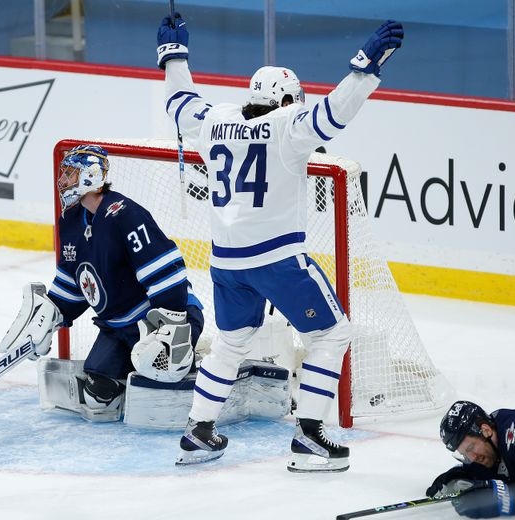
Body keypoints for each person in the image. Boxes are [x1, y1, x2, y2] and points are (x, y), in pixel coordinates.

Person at [157, 15, 404, 469]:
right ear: (286, 101)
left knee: (231, 344)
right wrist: (365, 69)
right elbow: (336, 111)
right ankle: (309, 435)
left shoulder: (215, 121)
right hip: (278, 261)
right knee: (333, 333)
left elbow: (179, 102)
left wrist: (174, 57)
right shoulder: (289, 125)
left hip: (226, 263)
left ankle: (197, 430)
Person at [4, 144, 204, 415]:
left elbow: (165, 272)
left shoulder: (125, 214)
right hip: (117, 326)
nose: (63, 180)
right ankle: (142, 368)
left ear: (91, 176)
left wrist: (172, 326)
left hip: (163, 319)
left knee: (161, 378)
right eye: (64, 173)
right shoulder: (71, 219)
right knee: (99, 394)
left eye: (71, 173)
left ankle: (197, 367)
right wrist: (51, 316)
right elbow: (74, 279)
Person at [425, 400, 515, 517]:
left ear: (486, 430)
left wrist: (508, 499)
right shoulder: (489, 447)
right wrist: (460, 475)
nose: (472, 458)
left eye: (471, 447)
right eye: (464, 454)